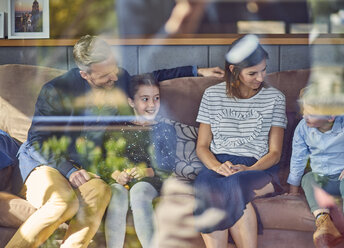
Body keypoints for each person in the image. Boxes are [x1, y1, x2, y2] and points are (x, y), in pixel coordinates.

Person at [6, 35, 223, 248]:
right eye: (105, 75)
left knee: (101, 193)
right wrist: (68, 171)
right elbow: (36, 142)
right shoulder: (56, 91)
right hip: (48, 163)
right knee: (63, 202)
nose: (115, 78)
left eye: (114, 69)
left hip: (88, 168)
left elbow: (150, 77)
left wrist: (196, 71)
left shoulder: (117, 78)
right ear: (85, 74)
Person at [193, 35, 287, 248]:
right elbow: (202, 146)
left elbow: (275, 153)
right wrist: (218, 167)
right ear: (234, 70)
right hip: (220, 166)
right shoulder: (212, 95)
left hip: (259, 167)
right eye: (253, 73)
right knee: (206, 185)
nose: (261, 78)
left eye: (264, 70)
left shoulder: (275, 98)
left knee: (234, 183)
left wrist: (248, 169)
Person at [287, 91, 344, 248]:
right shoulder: (303, 128)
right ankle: (324, 223)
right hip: (321, 180)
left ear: (330, 116)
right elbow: (298, 158)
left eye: (311, 113)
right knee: (308, 178)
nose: (305, 115)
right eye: (304, 110)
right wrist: (293, 191)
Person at [103, 74, 176, 248]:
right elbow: (105, 161)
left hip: (151, 180)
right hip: (120, 181)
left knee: (139, 191)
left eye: (156, 98)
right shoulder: (116, 127)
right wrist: (117, 175)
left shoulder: (164, 129)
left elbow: (168, 164)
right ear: (131, 102)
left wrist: (147, 171)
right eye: (145, 99)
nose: (152, 105)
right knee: (116, 195)